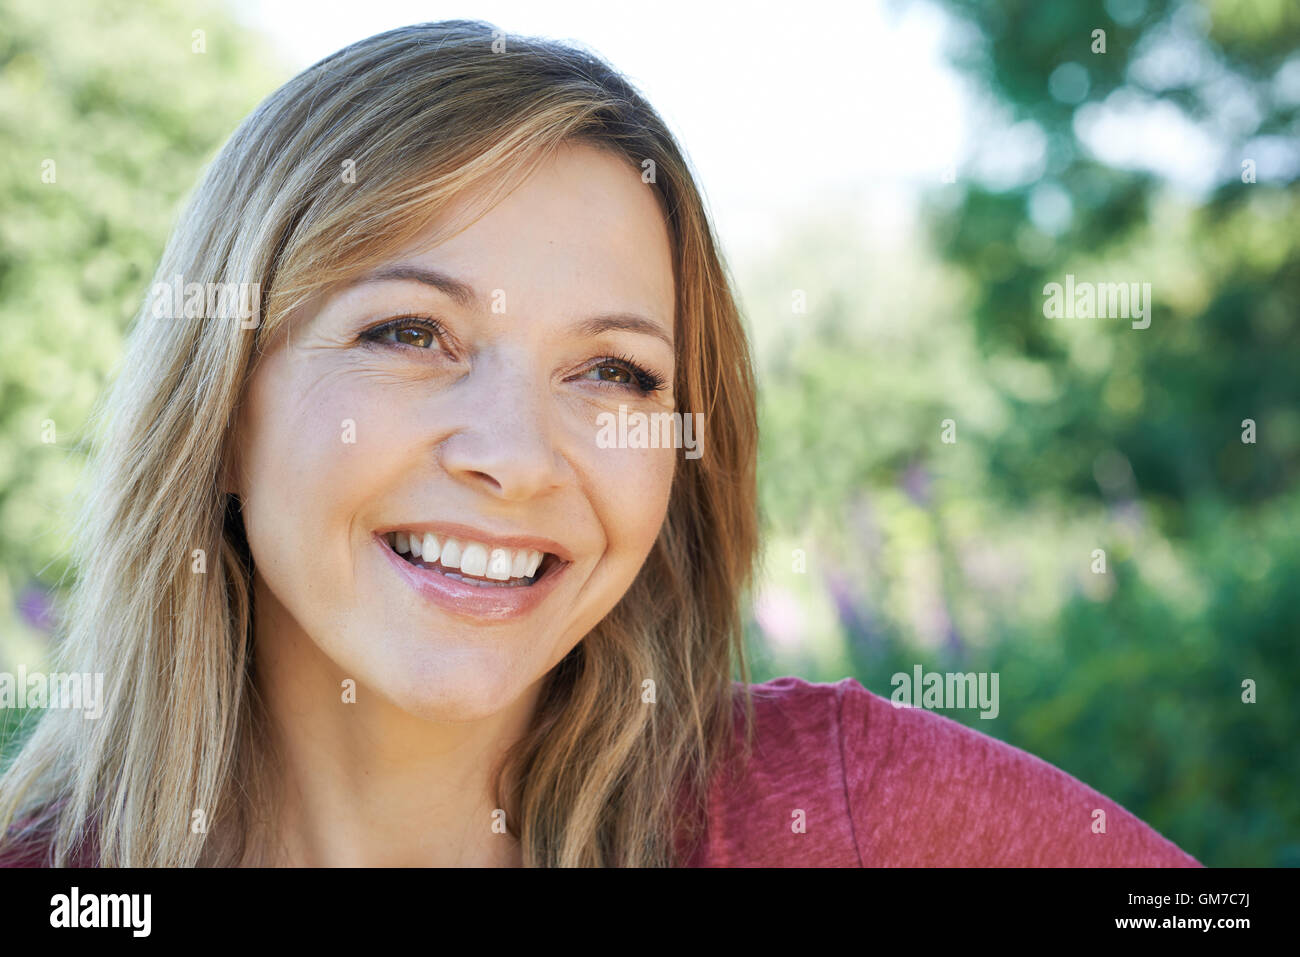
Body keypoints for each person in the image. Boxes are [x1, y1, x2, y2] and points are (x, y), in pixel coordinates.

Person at [0, 20, 1199, 868]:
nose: (519, 459)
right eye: (412, 331)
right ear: (217, 411)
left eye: (613, 371)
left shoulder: (851, 817)